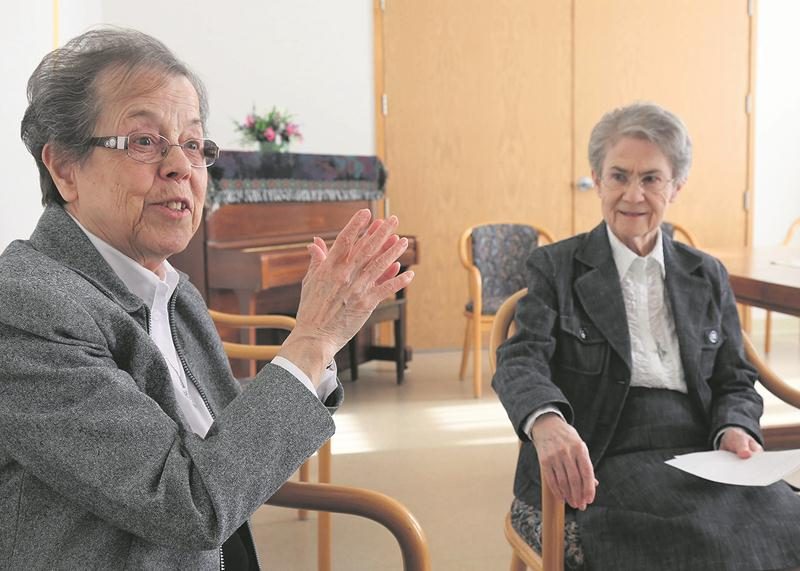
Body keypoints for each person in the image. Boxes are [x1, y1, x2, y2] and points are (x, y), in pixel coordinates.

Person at [0, 27, 413, 569]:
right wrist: (311, 340)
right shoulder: (25, 307)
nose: (181, 168)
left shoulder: (171, 288)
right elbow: (187, 501)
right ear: (64, 168)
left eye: (193, 144)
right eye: (144, 141)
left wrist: (320, 356)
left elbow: (207, 421)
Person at [493, 102, 800, 570]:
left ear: (676, 186)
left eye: (651, 179)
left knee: (788, 523)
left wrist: (736, 426)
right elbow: (521, 359)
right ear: (597, 180)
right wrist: (547, 423)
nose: (633, 195)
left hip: (702, 446)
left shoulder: (706, 273)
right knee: (697, 548)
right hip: (601, 451)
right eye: (618, 176)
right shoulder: (556, 267)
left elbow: (734, 375)